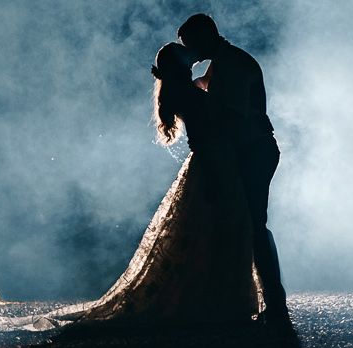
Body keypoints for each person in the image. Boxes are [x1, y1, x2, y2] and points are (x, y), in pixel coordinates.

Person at [36, 41, 260, 326]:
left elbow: (205, 87)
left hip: (210, 163)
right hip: (211, 164)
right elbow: (205, 132)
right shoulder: (186, 94)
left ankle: (213, 299)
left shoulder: (181, 90)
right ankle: (215, 301)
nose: (192, 54)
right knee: (214, 231)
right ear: (181, 64)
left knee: (208, 233)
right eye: (186, 54)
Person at [178, 13, 287, 324]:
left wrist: (194, 102)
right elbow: (206, 85)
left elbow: (234, 111)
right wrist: (179, 82)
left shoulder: (235, 62)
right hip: (247, 149)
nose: (190, 53)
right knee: (250, 223)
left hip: (253, 150)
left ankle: (275, 302)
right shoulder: (225, 59)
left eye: (190, 45)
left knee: (254, 223)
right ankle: (268, 299)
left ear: (203, 38)